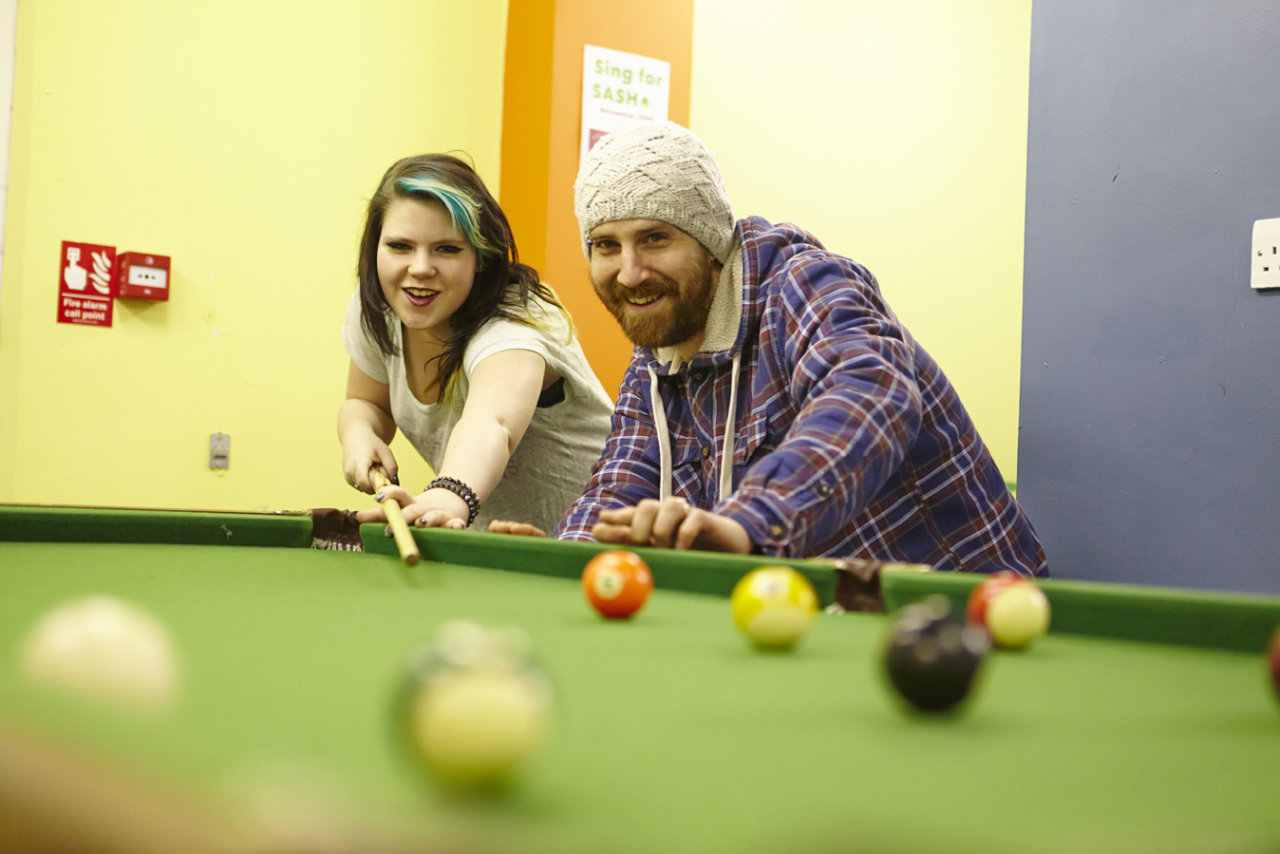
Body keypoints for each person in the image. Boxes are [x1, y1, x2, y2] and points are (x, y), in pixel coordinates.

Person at [543, 121, 1046, 576]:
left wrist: (750, 523)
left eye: (655, 238)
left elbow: (868, 396)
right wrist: (563, 562)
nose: (630, 273)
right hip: (818, 624)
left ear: (710, 243)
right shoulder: (656, 355)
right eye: (606, 245)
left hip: (968, 616)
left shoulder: (804, 285)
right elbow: (622, 482)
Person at [338, 154, 613, 534]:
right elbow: (367, 401)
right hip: (494, 543)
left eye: (447, 249)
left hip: (593, 541)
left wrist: (447, 495)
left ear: (481, 257)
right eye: (400, 246)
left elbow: (492, 423)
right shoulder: (382, 308)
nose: (420, 268)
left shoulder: (519, 319)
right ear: (375, 248)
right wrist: (359, 434)